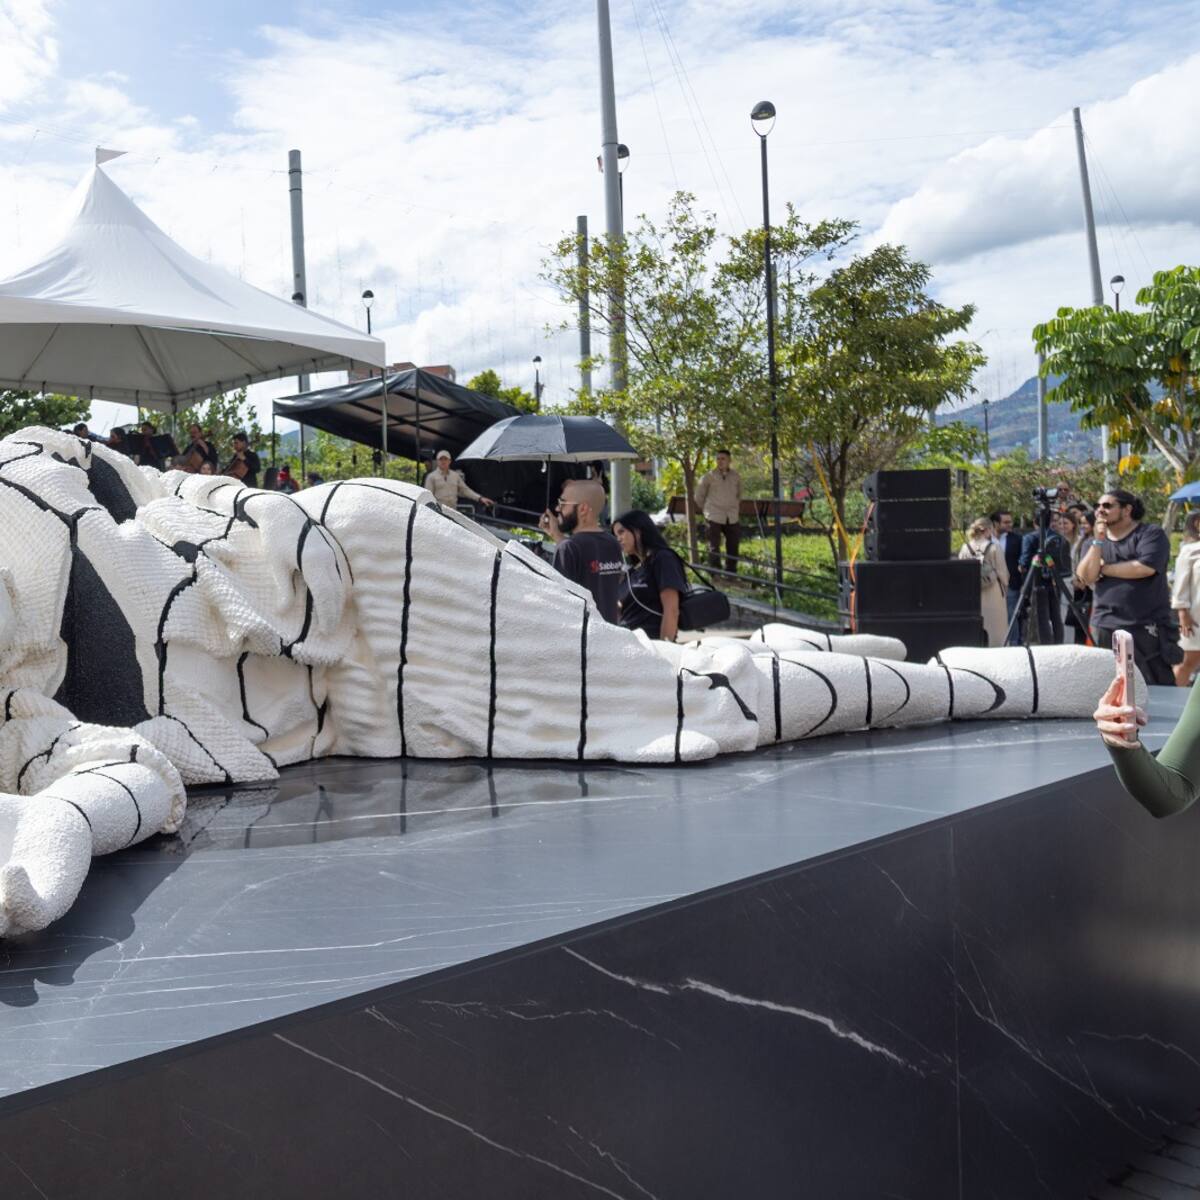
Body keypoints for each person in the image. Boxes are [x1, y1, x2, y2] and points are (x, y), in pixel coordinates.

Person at [1076, 488, 1179, 685]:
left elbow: (1144, 568)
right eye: (1098, 506)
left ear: (1127, 509)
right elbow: (1085, 577)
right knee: (1108, 687)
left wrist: (1104, 570)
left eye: (1107, 505)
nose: (1100, 510)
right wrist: (1098, 541)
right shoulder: (1092, 542)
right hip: (1104, 625)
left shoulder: (1150, 534)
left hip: (1145, 626)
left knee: (1153, 688)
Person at [539, 478, 624, 623]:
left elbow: (560, 601)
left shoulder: (568, 547)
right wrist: (556, 535)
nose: (558, 509)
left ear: (583, 509)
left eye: (563, 503)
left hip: (580, 638)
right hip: (610, 635)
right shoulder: (613, 543)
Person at [612, 509, 688, 642]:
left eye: (621, 532)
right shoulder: (633, 570)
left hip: (653, 646)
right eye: (615, 535)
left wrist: (664, 649)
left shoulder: (663, 558)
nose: (618, 539)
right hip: (629, 644)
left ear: (638, 530)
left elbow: (671, 610)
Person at [959, 517, 1008, 647]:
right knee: (995, 626)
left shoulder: (965, 547)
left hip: (973, 590)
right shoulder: (994, 547)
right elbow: (1003, 572)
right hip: (993, 592)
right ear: (988, 530)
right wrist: (1005, 585)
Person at [696, 449, 742, 575]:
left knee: (733, 544)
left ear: (729, 460)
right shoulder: (708, 476)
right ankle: (715, 573)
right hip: (714, 514)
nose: (720, 461)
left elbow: (739, 494)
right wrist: (706, 510)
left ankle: (731, 572)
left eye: (723, 459)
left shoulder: (736, 476)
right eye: (718, 459)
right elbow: (699, 495)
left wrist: (735, 507)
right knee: (714, 545)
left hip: (731, 515)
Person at [1171, 510, 1200, 686]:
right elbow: (1180, 584)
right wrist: (1183, 613)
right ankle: (1174, 703)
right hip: (1195, 618)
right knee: (1187, 661)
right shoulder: (1190, 550)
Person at [991, 510, 1023, 645]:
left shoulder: (1017, 539)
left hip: (1011, 585)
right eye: (1006, 522)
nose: (1010, 524)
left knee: (1011, 615)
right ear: (995, 523)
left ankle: (1014, 643)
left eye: (1010, 521)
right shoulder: (985, 539)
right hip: (990, 586)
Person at [424, 449, 493, 511]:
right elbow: (428, 496)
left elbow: (465, 490)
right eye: (441, 459)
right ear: (437, 461)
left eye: (445, 459)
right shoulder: (431, 477)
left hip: (453, 511)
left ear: (449, 461)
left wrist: (480, 498)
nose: (443, 461)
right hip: (438, 512)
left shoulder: (455, 476)